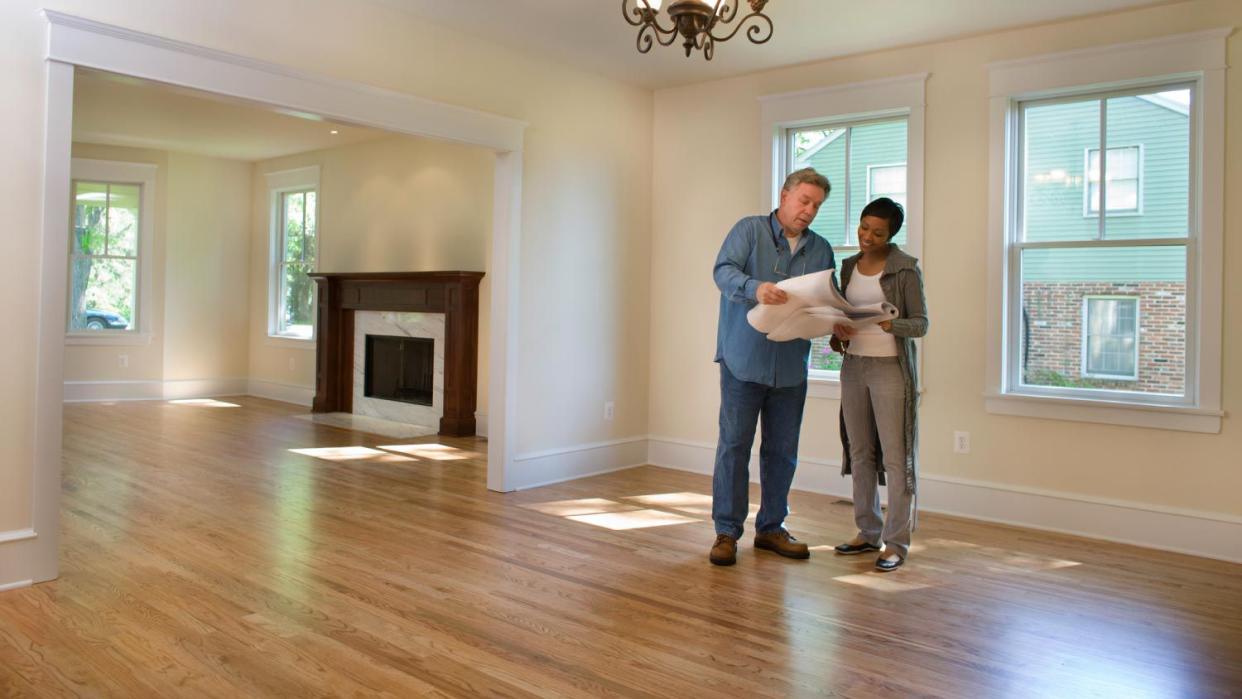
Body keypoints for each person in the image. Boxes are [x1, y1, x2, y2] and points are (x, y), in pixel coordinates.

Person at [709, 167, 835, 566]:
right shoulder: (749, 231)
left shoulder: (821, 249)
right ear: (784, 195)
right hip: (743, 362)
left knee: (782, 452)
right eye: (804, 201)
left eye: (816, 205)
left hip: (791, 368)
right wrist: (756, 288)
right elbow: (723, 271)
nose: (809, 211)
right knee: (734, 447)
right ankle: (726, 532)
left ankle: (771, 528)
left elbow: (826, 299)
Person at [829, 197, 928, 572]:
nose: (867, 236)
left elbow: (921, 324)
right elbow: (843, 315)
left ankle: (896, 543)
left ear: (892, 235)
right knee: (859, 452)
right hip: (854, 366)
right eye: (863, 227)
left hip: (890, 369)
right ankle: (867, 532)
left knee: (896, 456)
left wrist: (891, 324)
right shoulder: (849, 266)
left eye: (877, 232)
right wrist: (838, 332)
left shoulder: (905, 269)